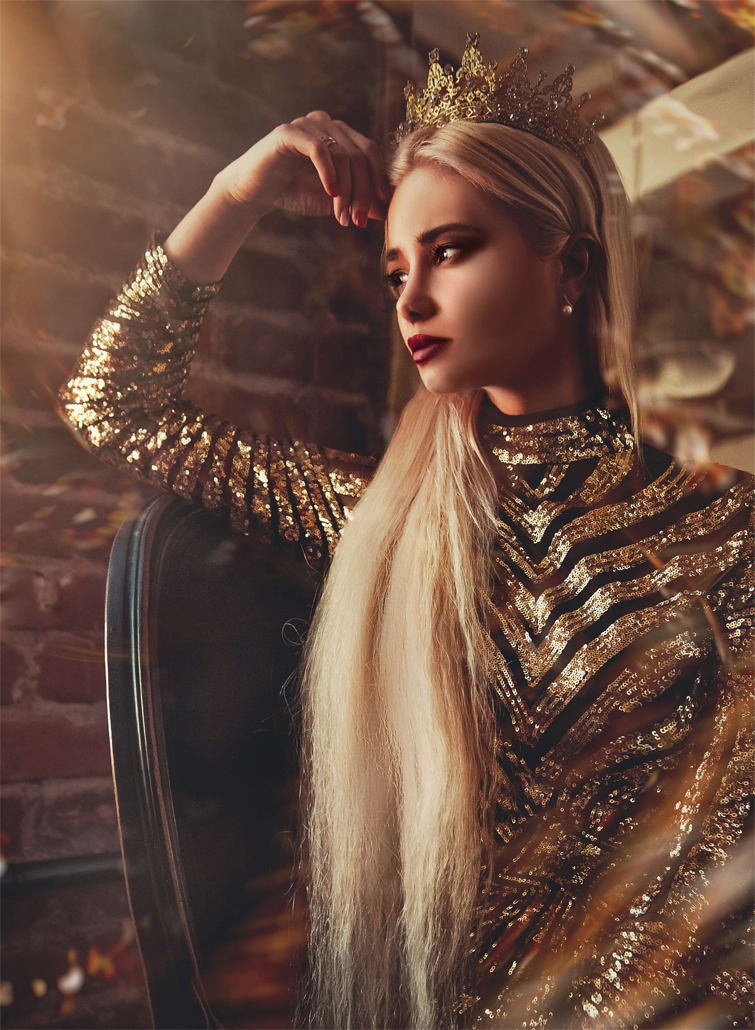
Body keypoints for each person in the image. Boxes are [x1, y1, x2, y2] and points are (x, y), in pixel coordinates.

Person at [57, 34, 753, 1030]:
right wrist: (237, 189)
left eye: (450, 250)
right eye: (393, 272)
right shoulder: (381, 516)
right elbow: (110, 403)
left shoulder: (727, 523)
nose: (411, 299)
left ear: (569, 268)